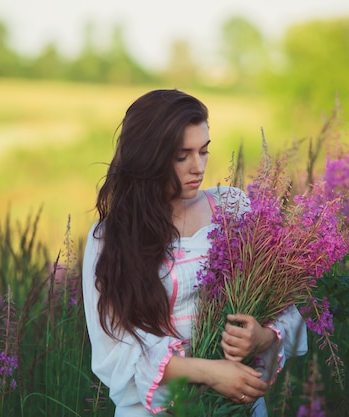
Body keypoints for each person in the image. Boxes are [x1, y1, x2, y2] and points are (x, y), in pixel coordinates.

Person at [82, 89, 307, 416]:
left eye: (204, 151)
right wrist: (211, 373)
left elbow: (282, 302)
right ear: (149, 156)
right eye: (182, 155)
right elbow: (116, 350)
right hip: (160, 408)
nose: (198, 167)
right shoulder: (112, 237)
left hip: (235, 406)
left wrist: (262, 337)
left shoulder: (232, 208)